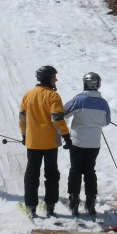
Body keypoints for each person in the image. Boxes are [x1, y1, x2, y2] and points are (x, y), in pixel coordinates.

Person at [19, 65, 72, 218]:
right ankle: (50, 205)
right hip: (49, 143)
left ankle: (31, 206)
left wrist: (24, 135)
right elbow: (57, 119)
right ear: (47, 78)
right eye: (54, 77)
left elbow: (22, 118)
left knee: (31, 174)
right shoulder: (53, 96)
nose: (56, 80)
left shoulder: (28, 95)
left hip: (33, 142)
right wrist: (66, 136)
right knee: (52, 174)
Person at [63, 72, 111, 215]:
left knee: (75, 170)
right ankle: (90, 203)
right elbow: (106, 122)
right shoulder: (103, 103)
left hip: (77, 142)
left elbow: (64, 113)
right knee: (90, 170)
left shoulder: (78, 100)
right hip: (94, 143)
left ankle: (74, 201)